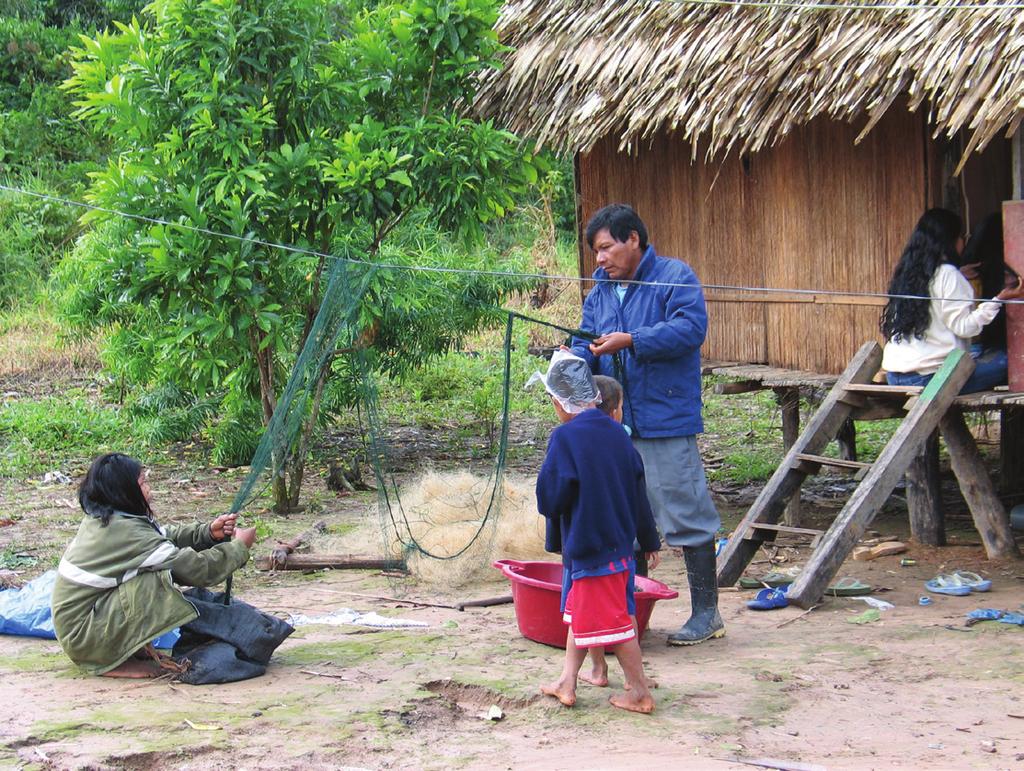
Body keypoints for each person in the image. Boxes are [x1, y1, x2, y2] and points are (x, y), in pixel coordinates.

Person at [570, 203, 724, 646]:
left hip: (664, 418)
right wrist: (572, 356)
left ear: (632, 239)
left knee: (684, 509)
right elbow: (587, 339)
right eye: (596, 252)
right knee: (625, 516)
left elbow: (690, 329)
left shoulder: (675, 277)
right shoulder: (599, 290)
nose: (599, 259)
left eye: (605, 248)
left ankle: (707, 614)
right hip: (615, 423)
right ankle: (628, 617)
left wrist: (633, 340)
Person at [532, 351, 662, 713]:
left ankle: (638, 691)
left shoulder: (565, 438)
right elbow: (639, 492)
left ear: (560, 401)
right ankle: (567, 680)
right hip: (619, 545)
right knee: (579, 611)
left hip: (590, 546)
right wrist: (649, 539)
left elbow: (551, 499)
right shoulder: (618, 434)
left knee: (615, 623)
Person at [51, 452, 256, 678]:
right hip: (84, 638)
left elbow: (163, 536)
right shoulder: (126, 533)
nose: (150, 489)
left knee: (150, 574)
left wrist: (207, 532)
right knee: (154, 582)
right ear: (124, 491)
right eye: (143, 482)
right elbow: (196, 570)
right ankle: (111, 662)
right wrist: (239, 548)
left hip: (80, 630)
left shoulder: (108, 519)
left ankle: (121, 650)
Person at [881, 208, 1024, 394]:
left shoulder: (909, 273)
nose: (963, 242)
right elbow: (965, 327)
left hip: (895, 376)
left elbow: (936, 290)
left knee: (980, 352)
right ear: (951, 240)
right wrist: (998, 300)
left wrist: (959, 275)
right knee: (1012, 361)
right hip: (930, 380)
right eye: (961, 236)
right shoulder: (949, 275)